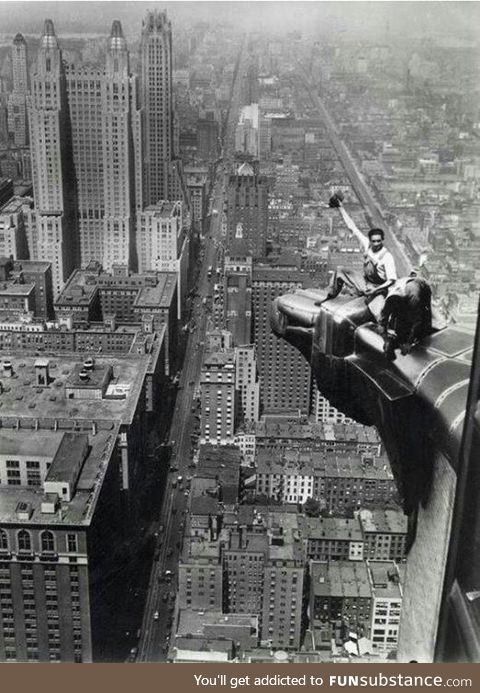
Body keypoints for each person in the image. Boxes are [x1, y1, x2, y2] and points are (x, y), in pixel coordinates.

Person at [327, 193, 397, 321]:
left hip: (379, 289)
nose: (376, 244)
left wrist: (375, 291)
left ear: (382, 240)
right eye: (373, 241)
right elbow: (352, 227)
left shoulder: (387, 257)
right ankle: (330, 296)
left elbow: (391, 280)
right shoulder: (367, 245)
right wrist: (341, 208)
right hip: (365, 283)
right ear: (370, 240)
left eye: (378, 241)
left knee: (378, 315)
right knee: (340, 271)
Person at [379, 270, 432, 360]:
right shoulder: (390, 299)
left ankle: (426, 334)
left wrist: (409, 343)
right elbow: (382, 321)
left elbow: (417, 321)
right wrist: (385, 339)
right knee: (401, 324)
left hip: (422, 287)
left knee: (424, 317)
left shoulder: (414, 297)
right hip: (405, 285)